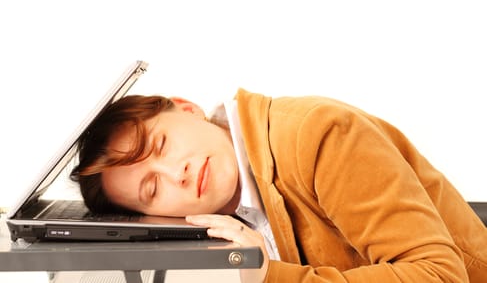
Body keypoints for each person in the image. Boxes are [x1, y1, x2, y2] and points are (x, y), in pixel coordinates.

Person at [70, 88, 487, 283]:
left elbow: (440, 277)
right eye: (152, 189)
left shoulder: (319, 133)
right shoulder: (237, 212)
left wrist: (270, 276)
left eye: (161, 145)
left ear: (188, 109)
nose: (175, 173)